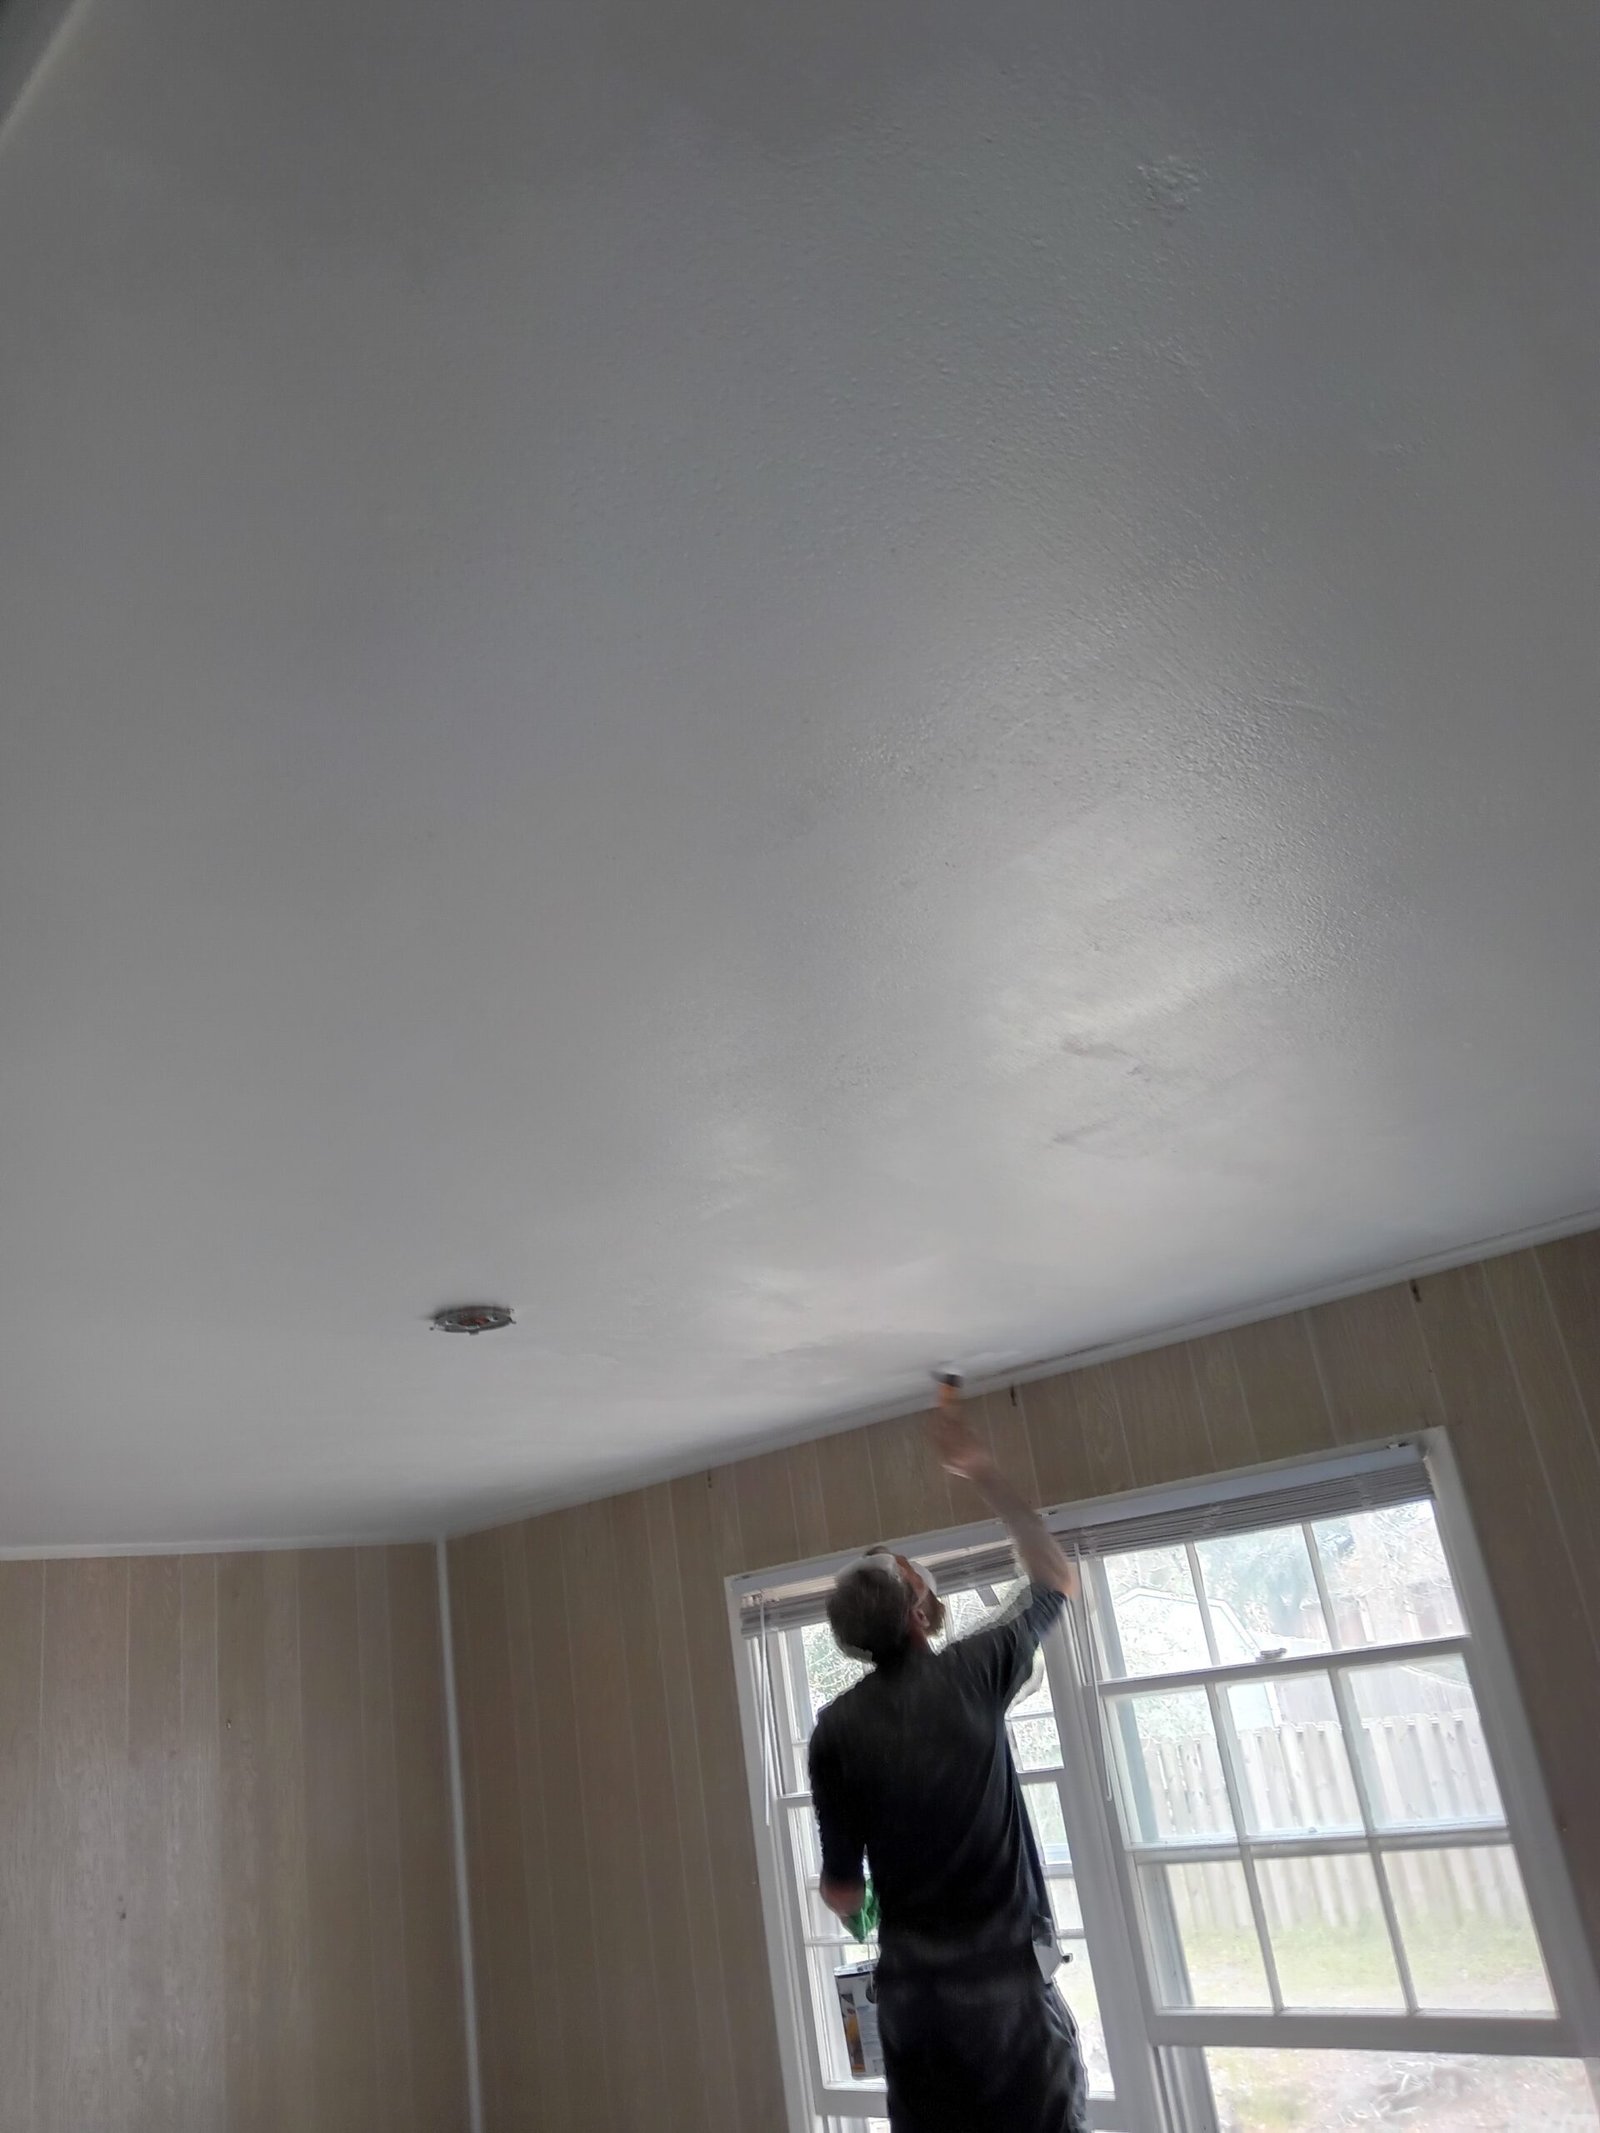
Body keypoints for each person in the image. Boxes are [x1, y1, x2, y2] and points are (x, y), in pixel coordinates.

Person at [807, 1384, 1088, 2133]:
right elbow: (1056, 1579)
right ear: (917, 1614)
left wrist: (863, 1907)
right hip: (1008, 2002)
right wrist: (982, 1469)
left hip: (917, 2013)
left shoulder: (835, 1730)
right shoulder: (974, 1671)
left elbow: (842, 1891)